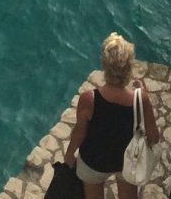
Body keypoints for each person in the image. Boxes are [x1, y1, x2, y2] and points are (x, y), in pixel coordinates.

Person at [63, 33, 160, 199]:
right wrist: (143, 96)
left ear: (104, 65)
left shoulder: (89, 99)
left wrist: (69, 154)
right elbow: (154, 136)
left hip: (93, 161)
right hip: (126, 161)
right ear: (129, 67)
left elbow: (80, 133)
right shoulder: (140, 99)